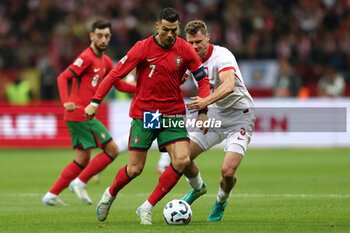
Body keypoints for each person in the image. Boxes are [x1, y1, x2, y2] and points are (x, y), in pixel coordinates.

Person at [84, 8, 210, 225]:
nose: (171, 34)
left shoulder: (185, 50)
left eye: (174, 30)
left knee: (181, 160)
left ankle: (147, 207)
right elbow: (114, 74)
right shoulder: (142, 48)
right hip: (146, 115)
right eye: (166, 29)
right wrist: (95, 101)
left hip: (172, 113)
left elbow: (203, 81)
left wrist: (203, 110)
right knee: (134, 170)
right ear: (156, 26)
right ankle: (110, 194)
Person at [42, 20, 136, 206]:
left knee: (82, 159)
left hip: (82, 115)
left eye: (107, 36)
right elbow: (63, 77)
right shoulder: (86, 57)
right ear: (91, 36)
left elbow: (118, 84)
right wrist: (65, 101)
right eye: (99, 35)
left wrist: (139, 87)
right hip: (80, 113)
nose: (103, 39)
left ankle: (51, 195)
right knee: (112, 150)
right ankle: (80, 182)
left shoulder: (106, 61)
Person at [179, 20, 255, 222]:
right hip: (214, 116)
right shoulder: (190, 58)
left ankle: (221, 200)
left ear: (208, 38)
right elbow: (176, 78)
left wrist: (204, 103)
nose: (195, 47)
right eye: (190, 42)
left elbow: (228, 85)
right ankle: (197, 188)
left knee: (227, 172)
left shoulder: (222, 55)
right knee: (182, 159)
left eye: (199, 41)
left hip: (240, 116)